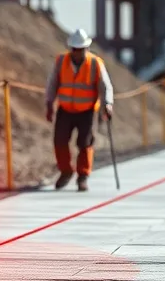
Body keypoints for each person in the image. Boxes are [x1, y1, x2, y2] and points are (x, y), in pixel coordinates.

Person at [44, 28, 114, 192]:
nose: (77, 53)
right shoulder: (61, 62)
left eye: (80, 49)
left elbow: (105, 86)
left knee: (85, 143)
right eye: (75, 49)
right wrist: (49, 104)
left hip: (87, 111)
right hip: (65, 109)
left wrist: (107, 104)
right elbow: (52, 83)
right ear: (71, 49)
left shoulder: (95, 63)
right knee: (59, 141)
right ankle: (66, 171)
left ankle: (83, 176)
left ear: (86, 48)